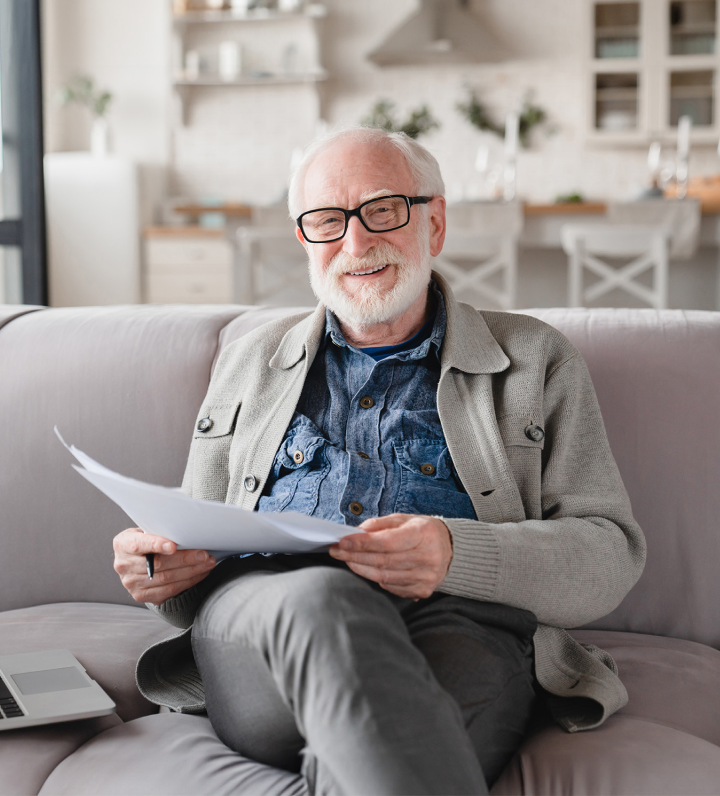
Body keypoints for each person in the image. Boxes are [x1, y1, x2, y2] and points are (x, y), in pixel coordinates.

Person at [113, 127, 645, 795]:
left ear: (435, 222)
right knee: (321, 600)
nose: (357, 243)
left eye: (383, 209)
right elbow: (195, 539)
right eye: (328, 221)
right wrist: (166, 568)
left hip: (460, 627)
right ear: (305, 238)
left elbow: (608, 554)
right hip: (268, 625)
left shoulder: (537, 361)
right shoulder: (250, 363)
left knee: (405, 742)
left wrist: (456, 553)